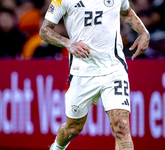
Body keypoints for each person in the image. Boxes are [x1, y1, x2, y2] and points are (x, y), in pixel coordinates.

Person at [39, 0, 150, 149]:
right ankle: (57, 147)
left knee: (122, 127)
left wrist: (144, 32)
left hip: (113, 69)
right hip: (82, 72)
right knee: (73, 129)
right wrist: (68, 43)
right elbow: (45, 30)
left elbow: (126, 11)